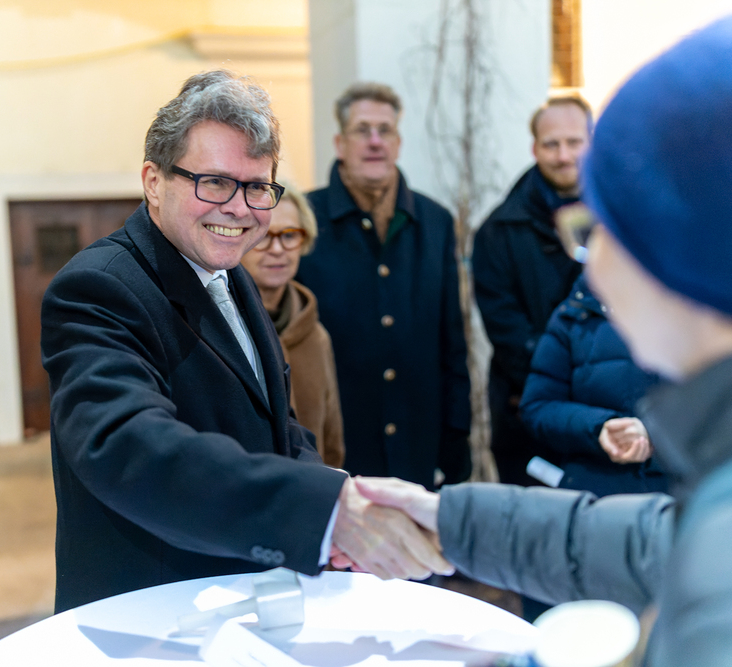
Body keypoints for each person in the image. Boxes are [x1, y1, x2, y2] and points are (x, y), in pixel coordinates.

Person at [354, 4, 732, 662]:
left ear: (685, 257)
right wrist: (451, 519)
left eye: (598, 229)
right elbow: (656, 543)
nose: (590, 262)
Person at [40, 71, 452, 613]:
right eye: (214, 182)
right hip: (153, 610)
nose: (239, 208)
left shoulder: (230, 273)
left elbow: (274, 423)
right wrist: (325, 512)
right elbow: (130, 449)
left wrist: (341, 495)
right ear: (153, 181)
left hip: (241, 595)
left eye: (257, 187)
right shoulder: (98, 287)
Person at [296, 82, 471, 490]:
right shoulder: (305, 220)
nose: (375, 141)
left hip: (418, 445)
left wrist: (456, 440)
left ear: (398, 142)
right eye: (362, 130)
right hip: (337, 450)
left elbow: (452, 342)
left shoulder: (435, 221)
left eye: (385, 130)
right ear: (340, 143)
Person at [472, 95, 591, 487]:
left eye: (574, 142)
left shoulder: (622, 220)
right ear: (534, 148)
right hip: (528, 418)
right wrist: (571, 384)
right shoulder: (498, 231)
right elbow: (507, 332)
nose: (563, 155)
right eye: (551, 144)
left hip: (611, 416)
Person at [519, 274, 667, 497]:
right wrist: (600, 427)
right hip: (593, 491)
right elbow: (537, 406)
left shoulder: (694, 306)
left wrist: (655, 432)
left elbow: (716, 401)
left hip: (680, 491)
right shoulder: (574, 312)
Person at [239, 185, 345, 468]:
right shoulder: (219, 330)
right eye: (263, 236)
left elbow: (332, 443)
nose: (278, 250)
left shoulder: (316, 336)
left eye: (289, 236)